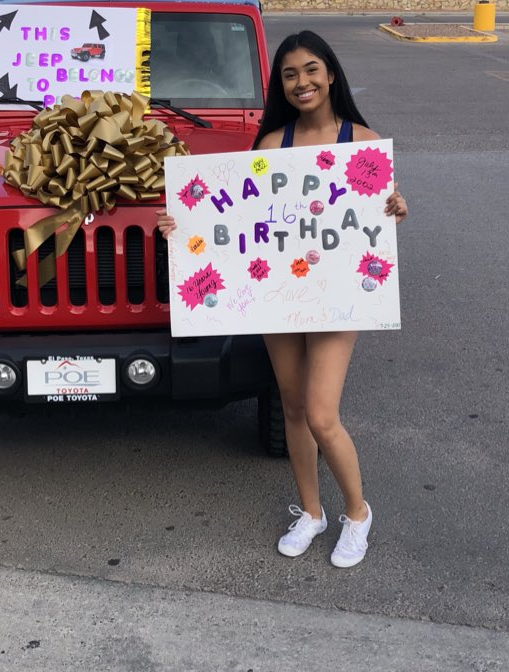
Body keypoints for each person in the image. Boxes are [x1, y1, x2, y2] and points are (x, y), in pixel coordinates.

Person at [157, 30, 408, 568]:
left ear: (332, 74)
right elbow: (235, 217)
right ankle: (312, 512)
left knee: (321, 414)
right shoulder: (273, 145)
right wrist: (182, 224)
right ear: (281, 84)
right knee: (292, 409)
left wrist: (394, 208)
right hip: (278, 295)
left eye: (312, 70)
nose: (302, 82)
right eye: (290, 74)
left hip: (337, 298)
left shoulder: (361, 142)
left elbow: (373, 220)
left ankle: (358, 513)